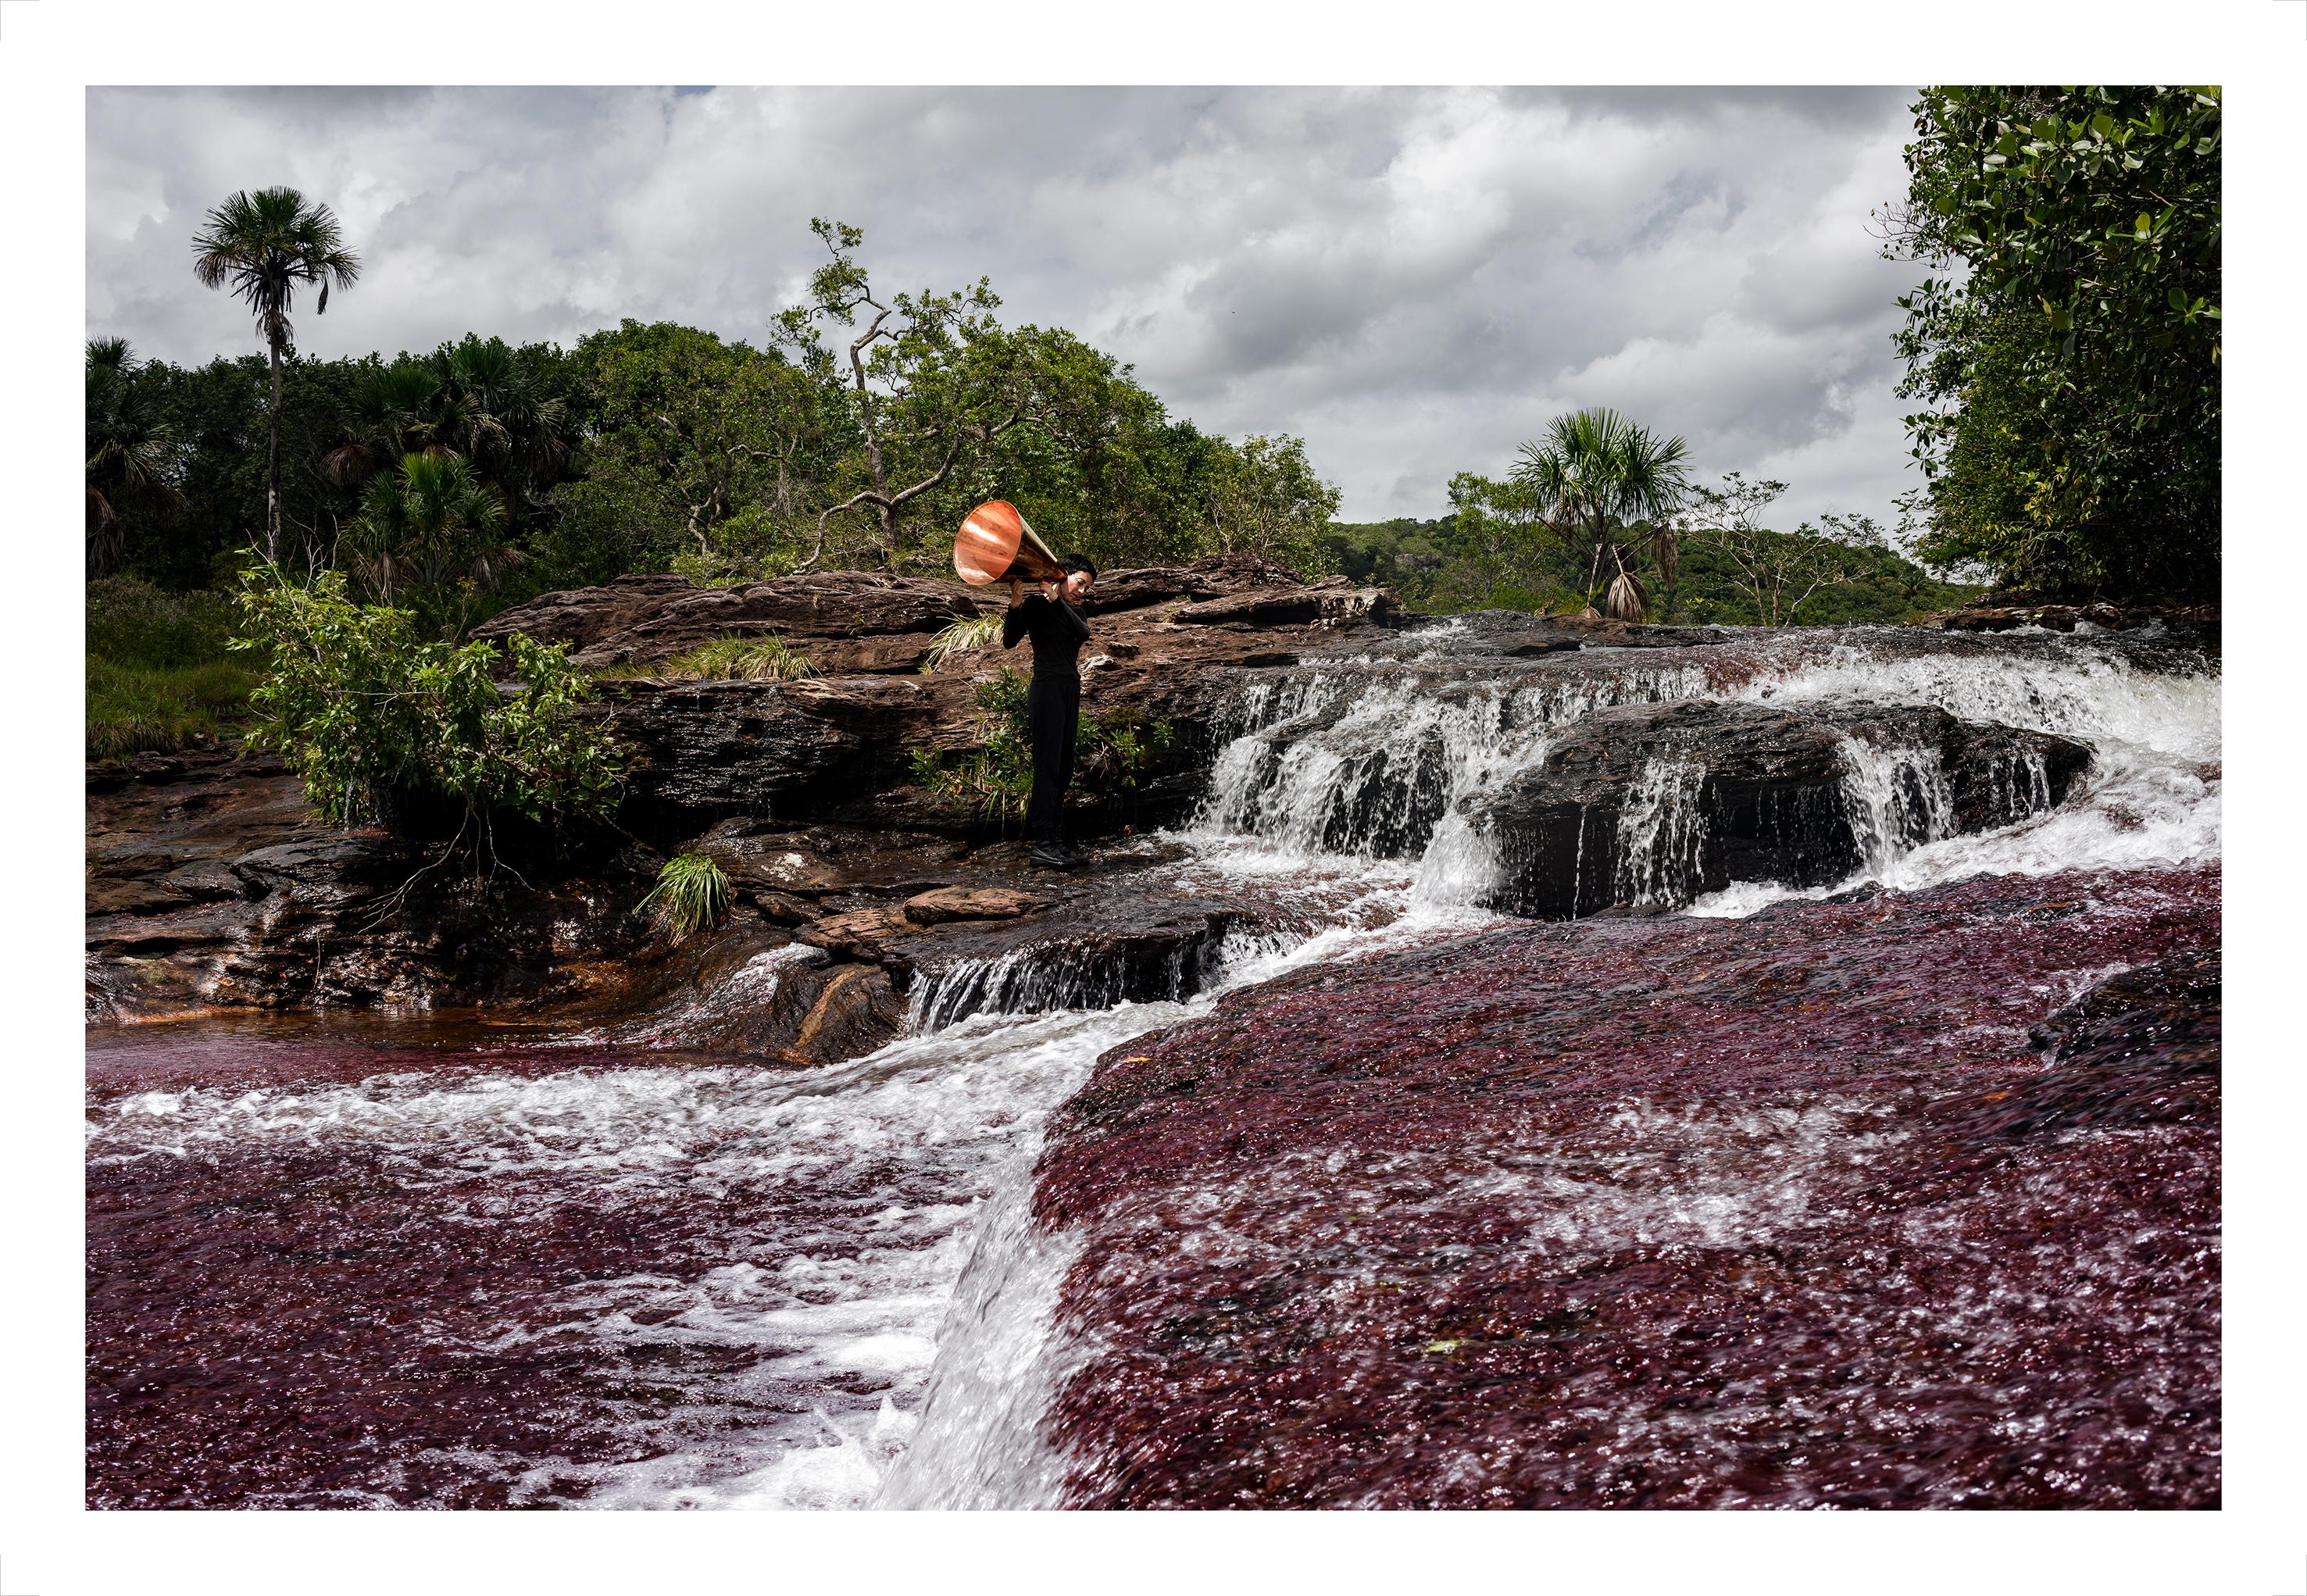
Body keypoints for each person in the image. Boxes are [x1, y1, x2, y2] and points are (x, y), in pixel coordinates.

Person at [1002, 554, 1098, 869]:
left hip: (1069, 689)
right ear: (1063, 575)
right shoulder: (1037, 606)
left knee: (1064, 767)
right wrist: (1015, 603)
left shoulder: (1076, 612)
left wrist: (1058, 600)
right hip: (1046, 689)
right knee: (1047, 767)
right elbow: (1009, 641)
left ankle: (1056, 842)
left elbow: (1082, 634)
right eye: (1080, 583)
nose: (1082, 591)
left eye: (1087, 587)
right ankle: (1043, 844)